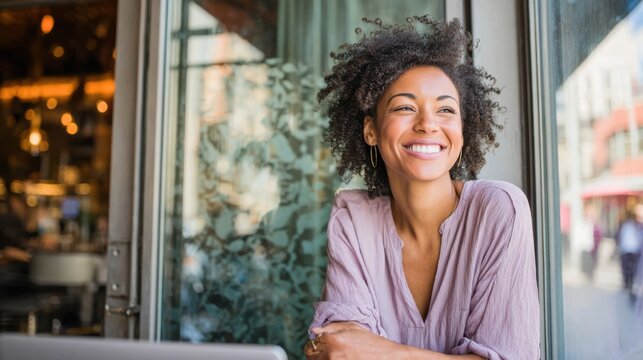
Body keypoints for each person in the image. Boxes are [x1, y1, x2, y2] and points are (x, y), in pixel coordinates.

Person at [304, 16, 540, 359]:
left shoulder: (499, 209)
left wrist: (381, 352)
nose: (428, 123)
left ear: (462, 129)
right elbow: (339, 350)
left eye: (446, 109)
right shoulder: (353, 219)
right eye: (404, 107)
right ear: (370, 130)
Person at [616, 204, 643, 301]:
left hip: (631, 249)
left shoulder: (635, 226)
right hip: (630, 249)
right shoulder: (629, 226)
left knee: (630, 269)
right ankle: (628, 283)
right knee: (629, 268)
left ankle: (629, 283)